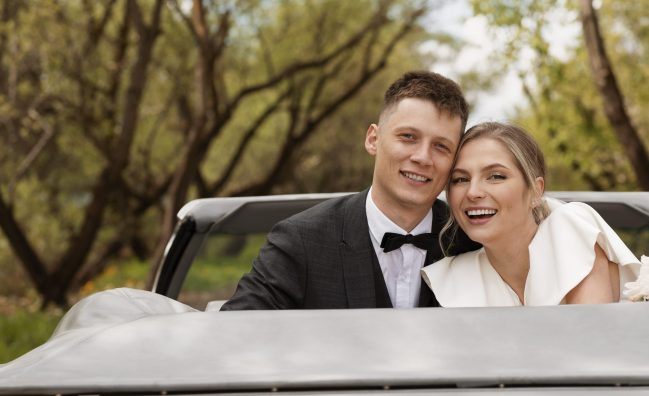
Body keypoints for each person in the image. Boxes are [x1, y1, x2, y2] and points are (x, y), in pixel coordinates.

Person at [221, 70, 480, 310]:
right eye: (408, 137)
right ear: (373, 139)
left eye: (441, 146)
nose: (423, 157)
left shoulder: (472, 241)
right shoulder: (300, 241)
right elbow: (234, 332)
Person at [421, 122, 641, 307]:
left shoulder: (570, 230)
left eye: (496, 176)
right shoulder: (453, 277)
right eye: (460, 179)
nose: (473, 192)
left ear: (536, 191)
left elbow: (591, 345)